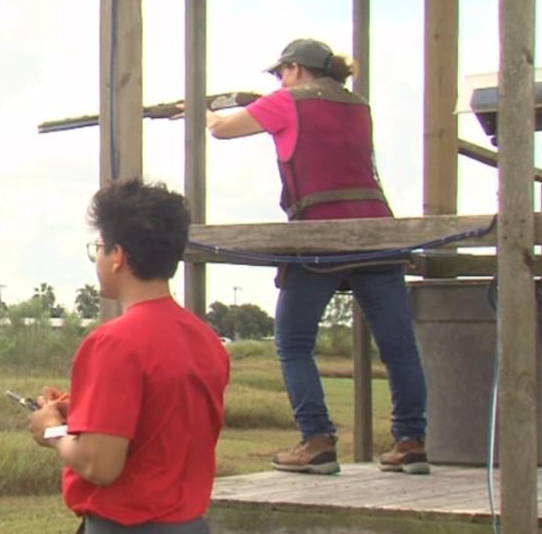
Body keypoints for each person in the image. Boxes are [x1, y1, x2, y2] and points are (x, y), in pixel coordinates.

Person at [204, 38, 430, 475]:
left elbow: (222, 130)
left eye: (280, 73)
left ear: (295, 70)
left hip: (320, 233)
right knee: (399, 348)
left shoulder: (286, 102)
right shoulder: (357, 105)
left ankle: (318, 439)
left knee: (291, 343)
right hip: (378, 230)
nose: (278, 81)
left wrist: (204, 113)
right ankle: (411, 441)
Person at [27, 179, 230, 533]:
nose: (99, 260)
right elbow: (161, 423)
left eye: (99, 249)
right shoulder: (206, 340)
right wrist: (82, 412)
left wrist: (51, 431)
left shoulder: (113, 343)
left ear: (118, 257)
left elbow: (99, 465)